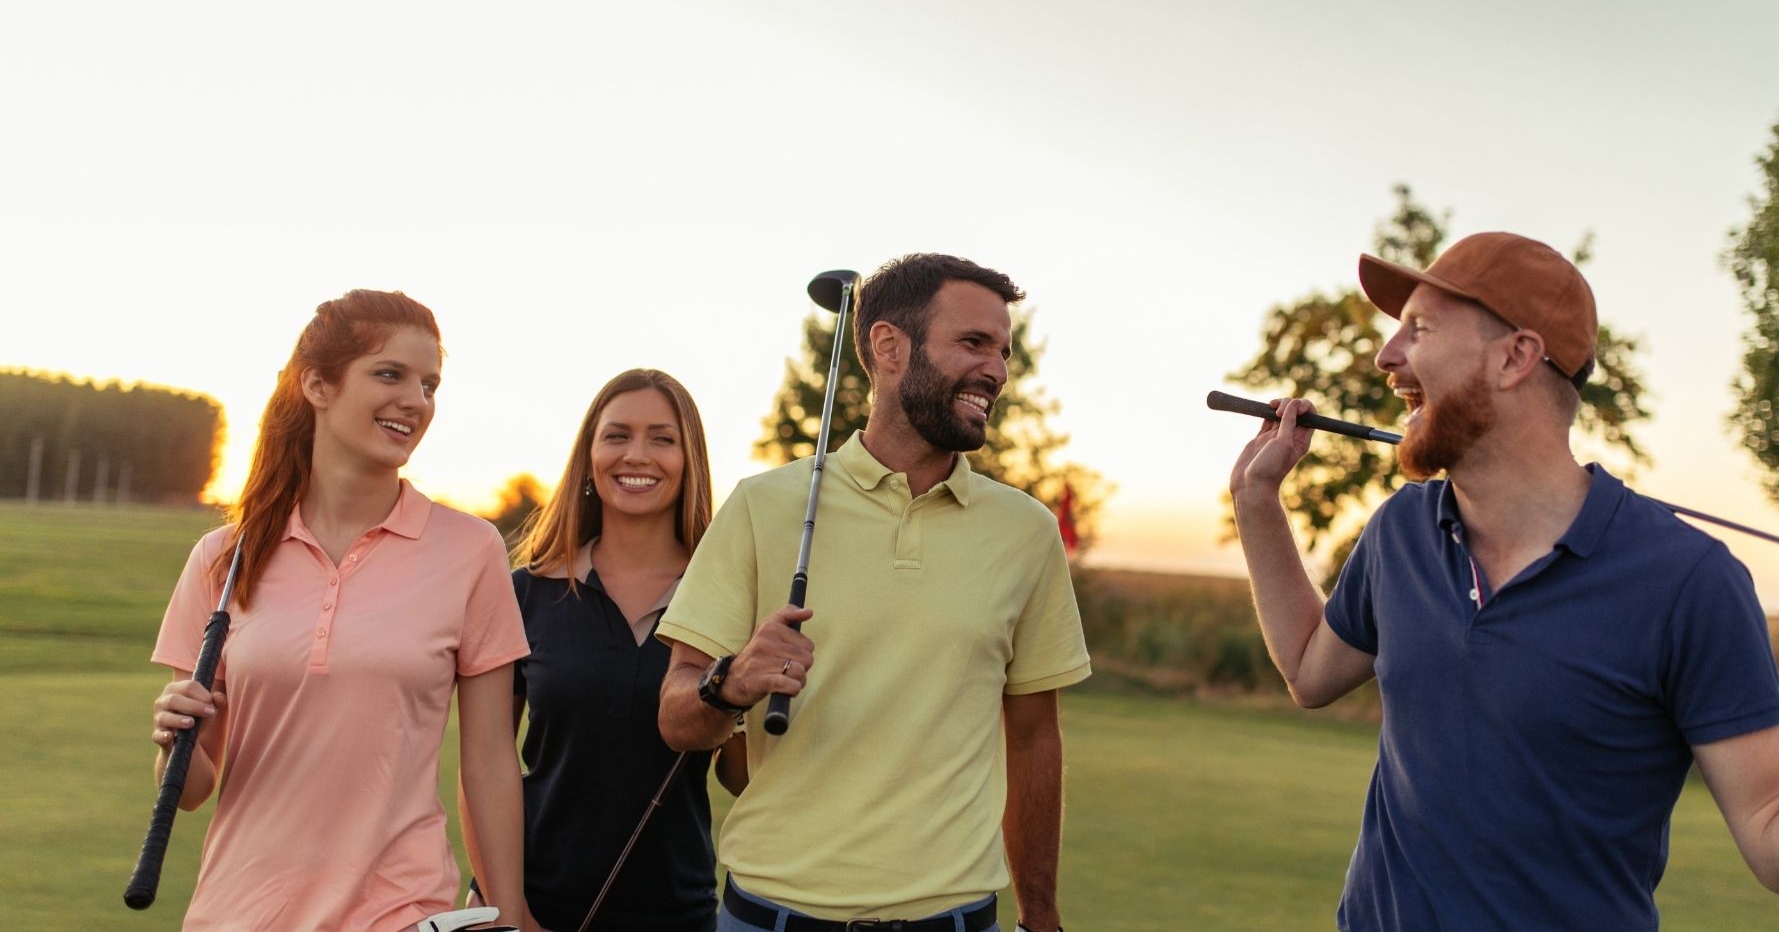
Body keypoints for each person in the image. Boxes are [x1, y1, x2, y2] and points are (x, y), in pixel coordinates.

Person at [1228, 232, 1779, 931]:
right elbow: (1310, 671)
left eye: (1420, 328)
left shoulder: (1687, 583)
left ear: (1516, 357)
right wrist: (1257, 503)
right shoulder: (1399, 532)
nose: (1386, 355)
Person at [656, 253, 1090, 932]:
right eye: (973, 343)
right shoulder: (761, 506)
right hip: (768, 917)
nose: (997, 371)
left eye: (1003, 352)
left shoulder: (1027, 532)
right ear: (889, 346)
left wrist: (1041, 915)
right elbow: (677, 718)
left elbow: (1035, 738)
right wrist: (731, 683)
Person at [148, 289, 533, 931]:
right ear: (318, 386)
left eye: (429, 385)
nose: (416, 400)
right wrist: (170, 742)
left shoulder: (470, 549)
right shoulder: (224, 558)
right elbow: (191, 790)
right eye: (390, 374)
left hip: (400, 912)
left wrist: (510, 916)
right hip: (238, 914)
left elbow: (489, 760)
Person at [460, 369, 746, 931]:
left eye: (662, 438)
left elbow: (740, 778)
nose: (637, 455)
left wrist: (743, 687)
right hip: (535, 907)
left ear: (688, 460)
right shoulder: (525, 593)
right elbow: (485, 763)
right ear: (589, 457)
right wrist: (509, 912)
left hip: (678, 915)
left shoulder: (729, 600)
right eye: (617, 435)